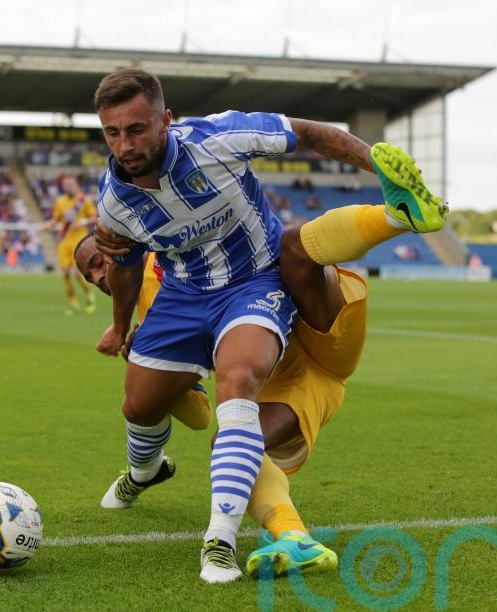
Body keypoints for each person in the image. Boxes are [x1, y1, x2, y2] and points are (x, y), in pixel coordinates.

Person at [91, 68, 446, 583]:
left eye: (137, 129)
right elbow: (122, 265)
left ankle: (220, 542)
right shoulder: (115, 202)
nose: (125, 144)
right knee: (138, 405)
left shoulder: (218, 140)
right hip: (185, 295)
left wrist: (375, 163)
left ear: (166, 120)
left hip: (254, 284)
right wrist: (119, 326)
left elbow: (309, 133)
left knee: (238, 381)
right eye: (112, 132)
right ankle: (145, 470)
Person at [44, 175, 98, 314]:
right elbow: (56, 218)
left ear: (76, 185)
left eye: (71, 184)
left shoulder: (84, 200)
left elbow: (94, 216)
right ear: (63, 186)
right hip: (64, 242)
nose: (69, 187)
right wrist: (49, 224)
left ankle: (89, 295)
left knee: (77, 274)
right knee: (66, 274)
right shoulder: (60, 201)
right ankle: (73, 302)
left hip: (79, 241)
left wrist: (84, 221)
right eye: (66, 184)